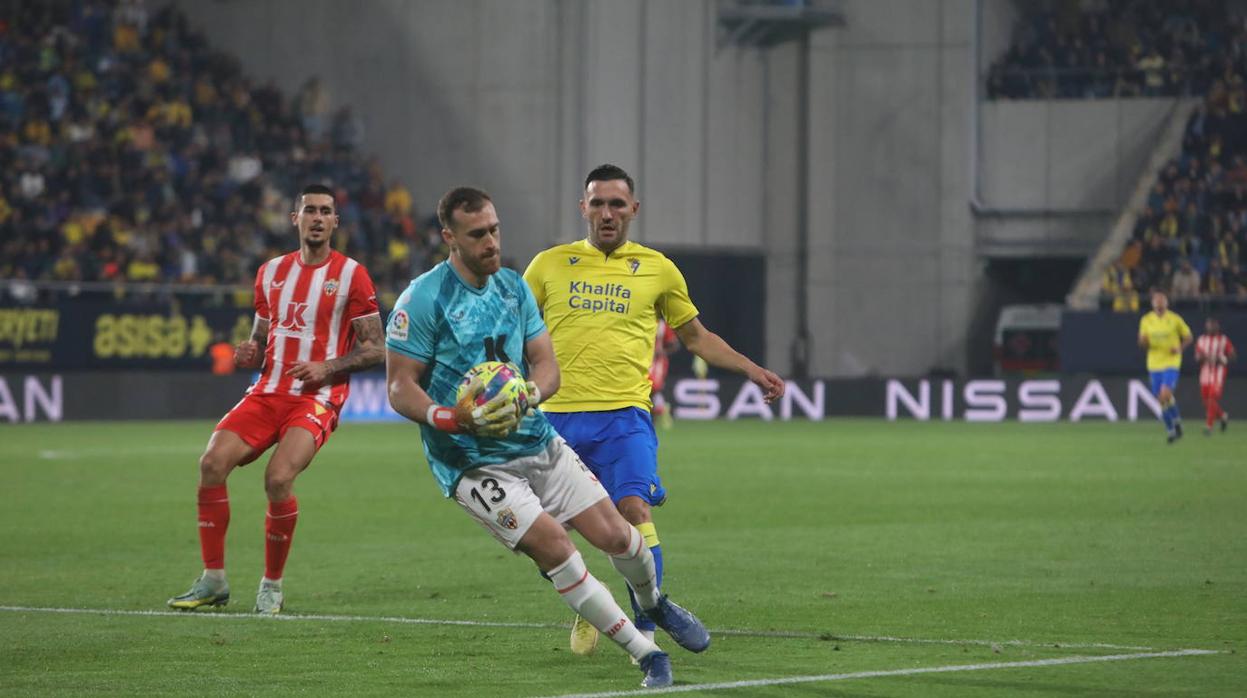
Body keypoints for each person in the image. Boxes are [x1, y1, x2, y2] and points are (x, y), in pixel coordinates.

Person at [384, 186, 709, 689]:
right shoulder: (423, 299)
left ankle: (655, 604)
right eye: (478, 235)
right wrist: (451, 418)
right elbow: (399, 386)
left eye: (494, 229)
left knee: (620, 538)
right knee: (557, 548)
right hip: (471, 462)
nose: (491, 241)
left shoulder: (513, 288)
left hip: (537, 440)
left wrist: (529, 395)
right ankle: (648, 655)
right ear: (449, 237)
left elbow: (545, 363)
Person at [522, 164, 785, 655]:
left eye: (616, 204)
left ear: (633, 210)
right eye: (597, 203)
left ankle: (645, 623)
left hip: (624, 417)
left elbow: (696, 337)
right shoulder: (547, 265)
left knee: (633, 511)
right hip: (552, 420)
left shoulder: (658, 269)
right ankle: (589, 605)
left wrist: (753, 369)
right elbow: (510, 326)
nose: (606, 213)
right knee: (552, 533)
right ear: (583, 208)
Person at [168, 184, 384, 613]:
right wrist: (248, 352)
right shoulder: (270, 273)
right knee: (211, 463)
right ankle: (213, 580)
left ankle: (271, 585)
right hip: (267, 391)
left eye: (326, 211)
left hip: (317, 395)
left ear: (335, 222)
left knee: (278, 478)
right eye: (310, 211)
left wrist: (327, 367)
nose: (318, 218)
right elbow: (259, 339)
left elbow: (376, 349)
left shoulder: (351, 275)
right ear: (295, 219)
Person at [1137, 289, 1192, 443]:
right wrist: (1143, 341)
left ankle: (1171, 431)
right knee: (1162, 399)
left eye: (1162, 300)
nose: (1160, 303)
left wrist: (1180, 348)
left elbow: (1188, 337)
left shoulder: (1175, 319)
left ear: (1166, 303)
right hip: (1154, 363)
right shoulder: (1146, 320)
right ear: (1153, 304)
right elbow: (1142, 343)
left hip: (1171, 361)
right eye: (1157, 301)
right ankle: (1176, 423)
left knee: (1164, 395)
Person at [1194, 317, 1235, 434]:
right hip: (1205, 373)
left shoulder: (1223, 340)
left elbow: (1232, 355)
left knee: (1212, 398)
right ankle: (1222, 416)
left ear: (1217, 326)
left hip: (1218, 373)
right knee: (1206, 401)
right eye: (1209, 325)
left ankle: (1209, 426)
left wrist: (1223, 359)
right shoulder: (1201, 340)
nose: (1211, 327)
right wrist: (1203, 357)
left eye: (1213, 325)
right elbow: (1197, 357)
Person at [650, 319, 680, 430]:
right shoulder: (639, 319)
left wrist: (662, 352)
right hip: (638, 360)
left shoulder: (662, 325)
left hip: (656, 364)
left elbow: (675, 344)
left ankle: (654, 419)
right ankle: (660, 409)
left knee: (652, 389)